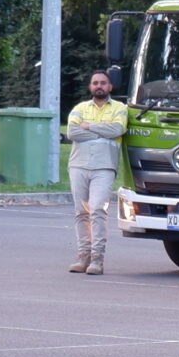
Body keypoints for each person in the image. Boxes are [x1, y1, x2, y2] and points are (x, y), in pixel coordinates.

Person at [63, 69, 127, 275]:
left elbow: (117, 130)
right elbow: (72, 132)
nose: (99, 86)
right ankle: (83, 256)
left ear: (110, 87)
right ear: (90, 87)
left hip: (104, 167)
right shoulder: (80, 107)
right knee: (81, 212)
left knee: (98, 210)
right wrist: (101, 134)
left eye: (103, 83)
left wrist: (89, 126)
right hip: (78, 165)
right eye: (95, 83)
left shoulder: (119, 108)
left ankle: (97, 259)